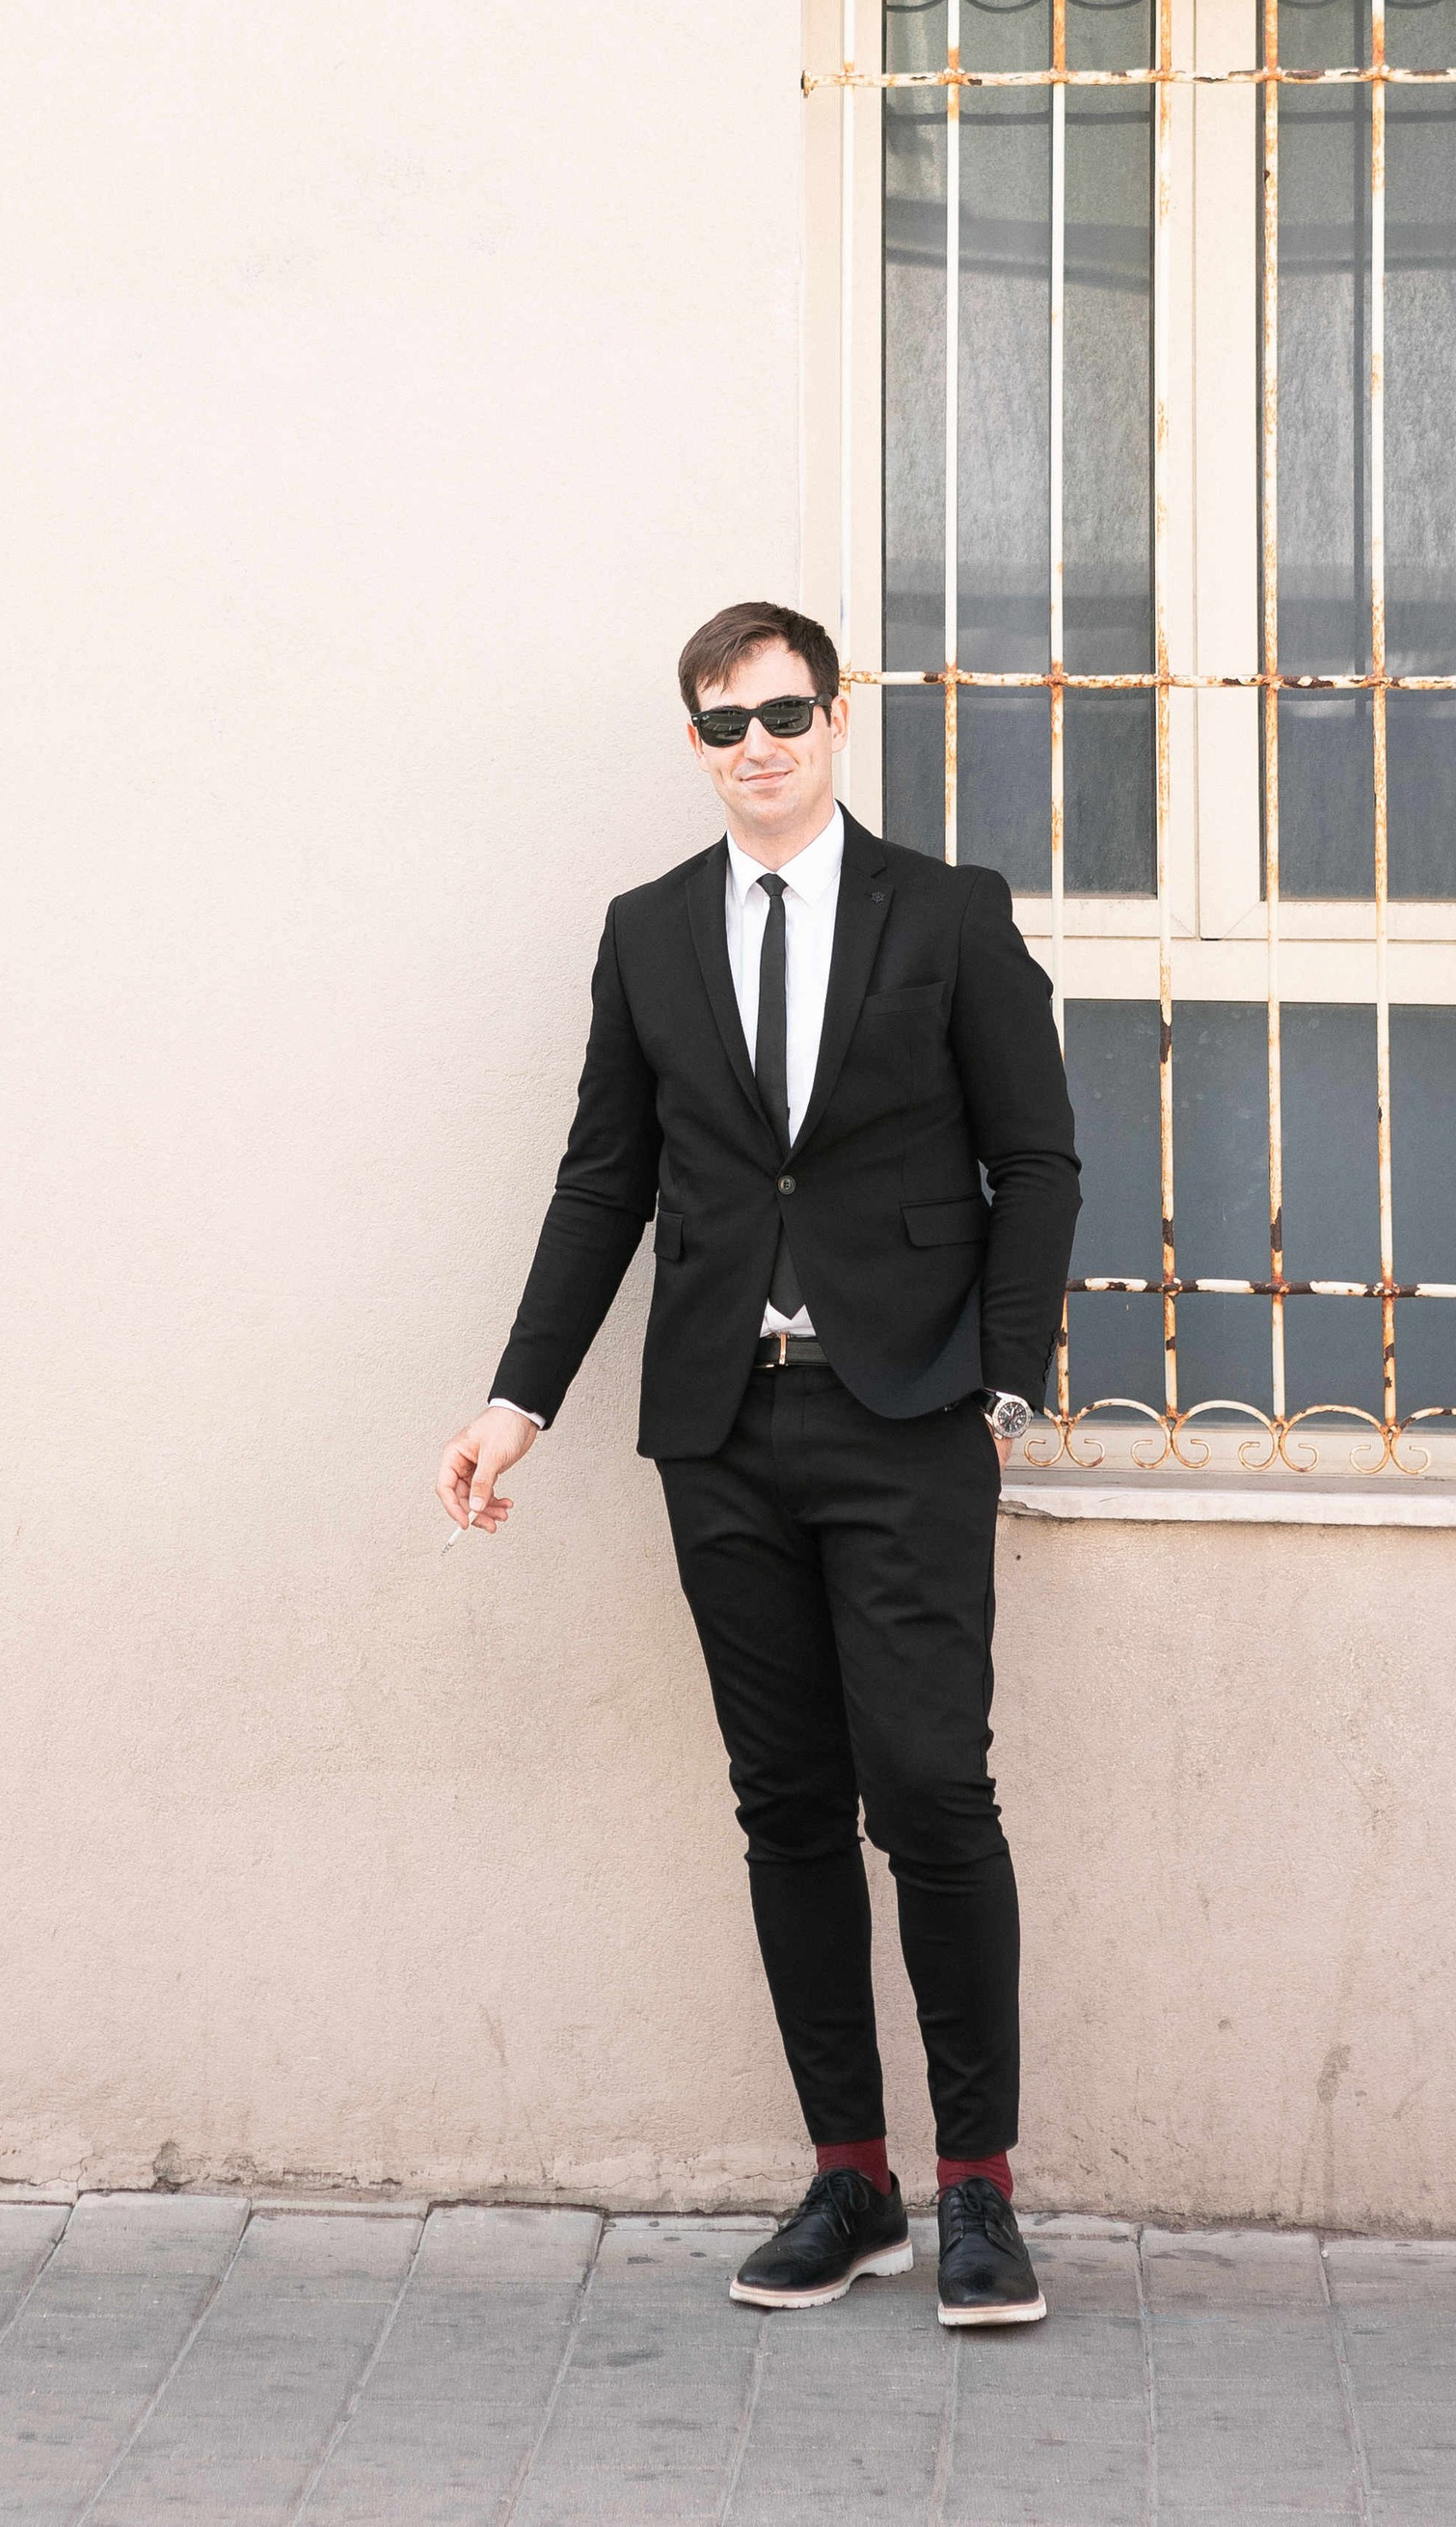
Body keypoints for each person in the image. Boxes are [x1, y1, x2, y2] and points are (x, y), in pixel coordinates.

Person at [437, 600, 1079, 2328]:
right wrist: (517, 1400)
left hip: (906, 1416)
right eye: (727, 725)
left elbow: (1035, 1159)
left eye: (786, 714)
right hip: (722, 1425)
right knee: (785, 1802)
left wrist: (1003, 1384)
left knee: (930, 1794)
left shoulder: (947, 914)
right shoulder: (649, 932)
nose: (760, 748)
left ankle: (980, 2190)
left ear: (837, 719)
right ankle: (851, 2182)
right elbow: (605, 1180)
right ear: (697, 745)